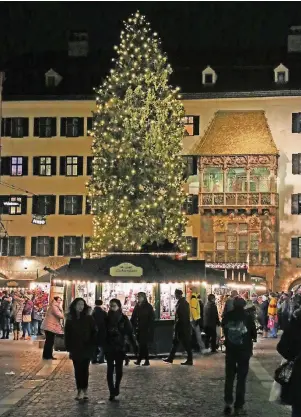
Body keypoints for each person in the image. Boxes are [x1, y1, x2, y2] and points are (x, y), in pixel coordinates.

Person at [222, 297, 257, 416]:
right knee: (241, 379)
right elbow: (253, 333)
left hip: (231, 351)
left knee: (229, 377)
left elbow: (224, 329)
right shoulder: (247, 317)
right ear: (243, 305)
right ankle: (239, 406)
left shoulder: (227, 316)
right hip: (244, 351)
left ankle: (228, 403)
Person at [104, 298, 137, 401]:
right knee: (109, 369)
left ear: (118, 306)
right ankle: (111, 391)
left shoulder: (123, 318)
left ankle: (117, 386)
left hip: (120, 347)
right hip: (109, 346)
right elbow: (102, 332)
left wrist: (134, 345)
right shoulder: (106, 318)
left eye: (114, 306)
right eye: (110, 306)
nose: (112, 308)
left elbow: (129, 332)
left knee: (119, 369)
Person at [65, 298, 97, 401]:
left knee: (85, 370)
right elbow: (67, 334)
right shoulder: (70, 319)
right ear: (74, 306)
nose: (80, 306)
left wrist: (92, 344)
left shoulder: (88, 318)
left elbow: (94, 331)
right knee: (77, 370)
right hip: (75, 348)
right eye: (79, 304)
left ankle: (85, 390)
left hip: (86, 348)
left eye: (82, 304)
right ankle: (79, 390)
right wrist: (69, 347)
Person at [277, 295, 301, 417]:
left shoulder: (294, 323)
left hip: (298, 372)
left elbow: (281, 347)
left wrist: (292, 357)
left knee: (297, 408)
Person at [163, 289, 193, 365]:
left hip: (182, 327)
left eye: (176, 294)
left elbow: (182, 317)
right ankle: (170, 358)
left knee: (185, 343)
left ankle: (190, 359)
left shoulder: (183, 303)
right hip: (181, 326)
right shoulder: (182, 303)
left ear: (178, 294)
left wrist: (178, 326)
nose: (175, 296)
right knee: (176, 343)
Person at [131, 291, 155, 366]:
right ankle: (141, 360)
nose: (138, 298)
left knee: (143, 345)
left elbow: (152, 318)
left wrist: (149, 328)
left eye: (140, 297)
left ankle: (145, 360)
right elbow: (133, 316)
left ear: (143, 298)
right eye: (137, 297)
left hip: (145, 329)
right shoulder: (137, 306)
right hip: (138, 329)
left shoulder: (148, 306)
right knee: (142, 345)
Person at [92, 299, 107, 364]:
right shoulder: (104, 312)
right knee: (102, 346)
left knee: (94, 346)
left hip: (94, 331)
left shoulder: (92, 312)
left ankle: (94, 359)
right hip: (102, 331)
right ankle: (101, 359)